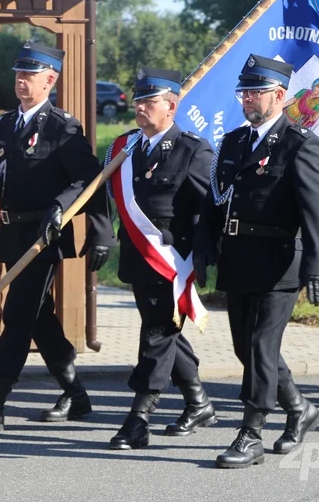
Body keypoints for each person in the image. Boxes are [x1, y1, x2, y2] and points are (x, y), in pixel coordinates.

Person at [0, 43, 115, 433]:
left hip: (43, 238)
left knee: (16, 316)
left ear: (51, 79)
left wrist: (82, 220)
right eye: (18, 74)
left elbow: (90, 180)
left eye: (29, 75)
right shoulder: (4, 125)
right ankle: (76, 395)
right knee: (38, 319)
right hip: (12, 236)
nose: (21, 81)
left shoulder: (62, 127)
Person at [194, 54, 319, 468]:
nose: (248, 100)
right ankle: (300, 408)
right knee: (245, 347)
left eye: (256, 92)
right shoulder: (234, 142)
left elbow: (316, 211)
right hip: (239, 260)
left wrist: (318, 268)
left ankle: (251, 433)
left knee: (259, 345)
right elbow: (214, 202)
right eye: (244, 92)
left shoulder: (301, 143)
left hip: (279, 263)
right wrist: (203, 250)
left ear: (280, 95)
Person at [105, 68, 216, 450]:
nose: (140, 107)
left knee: (155, 336)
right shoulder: (125, 147)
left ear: (171, 106)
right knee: (165, 331)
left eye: (149, 101)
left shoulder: (193, 149)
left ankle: (138, 419)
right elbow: (99, 191)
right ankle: (198, 402)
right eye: (138, 100)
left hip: (173, 262)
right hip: (138, 258)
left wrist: (205, 252)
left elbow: (210, 206)